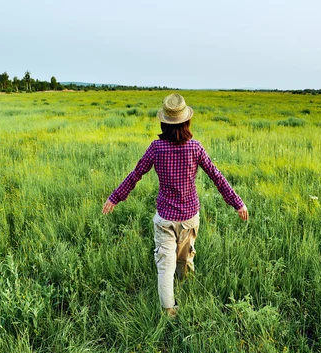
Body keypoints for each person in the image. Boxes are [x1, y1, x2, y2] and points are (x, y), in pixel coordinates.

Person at [102, 93, 248, 317]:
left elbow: (135, 175)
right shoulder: (195, 148)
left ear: (165, 122)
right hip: (189, 217)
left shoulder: (156, 148)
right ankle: (183, 289)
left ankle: (169, 308)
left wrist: (115, 197)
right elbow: (217, 177)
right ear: (186, 122)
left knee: (165, 265)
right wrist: (237, 203)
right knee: (185, 258)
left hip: (165, 219)